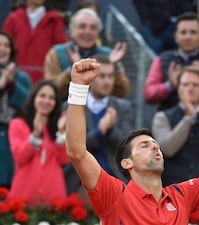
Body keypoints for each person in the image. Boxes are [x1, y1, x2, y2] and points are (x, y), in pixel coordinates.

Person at [65, 58, 199, 224]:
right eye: (144, 145)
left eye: (155, 143)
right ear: (127, 163)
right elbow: (77, 152)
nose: (155, 146)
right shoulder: (114, 195)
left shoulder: (182, 196)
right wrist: (78, 87)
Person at [63, 55, 135, 195]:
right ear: (90, 78)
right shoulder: (71, 107)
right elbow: (73, 148)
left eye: (110, 76)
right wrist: (100, 131)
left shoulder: (123, 107)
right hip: (81, 184)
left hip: (116, 181)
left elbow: (128, 150)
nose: (107, 81)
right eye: (102, 76)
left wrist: (111, 129)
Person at [151, 65, 199, 186]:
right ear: (178, 88)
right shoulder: (162, 117)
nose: (190, 89)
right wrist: (188, 118)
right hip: (171, 190)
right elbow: (168, 149)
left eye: (195, 85)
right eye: (185, 84)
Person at [143, 11, 199, 111]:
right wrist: (170, 85)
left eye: (193, 32)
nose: (188, 37)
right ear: (175, 36)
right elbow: (148, 94)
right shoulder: (161, 60)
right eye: (183, 32)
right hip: (168, 120)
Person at [43, 8, 129, 100]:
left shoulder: (108, 55)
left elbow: (122, 92)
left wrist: (113, 66)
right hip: (64, 111)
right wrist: (73, 69)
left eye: (93, 28)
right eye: (82, 26)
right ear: (71, 31)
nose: (87, 32)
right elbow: (50, 90)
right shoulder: (57, 53)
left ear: (98, 33)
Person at [7, 80, 69, 206]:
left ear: (56, 103)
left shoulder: (59, 127)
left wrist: (61, 133)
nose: (46, 101)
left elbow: (64, 160)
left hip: (53, 197)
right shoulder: (18, 124)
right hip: (22, 196)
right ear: (34, 98)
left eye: (51, 98)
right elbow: (20, 158)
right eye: (42, 96)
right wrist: (35, 134)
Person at [2, 0, 68, 84]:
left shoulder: (55, 20)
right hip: (15, 82)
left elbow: (62, 52)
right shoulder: (13, 19)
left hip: (44, 83)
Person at [0, 30, 31, 189]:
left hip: (14, 140)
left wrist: (11, 83)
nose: (3, 49)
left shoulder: (22, 78)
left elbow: (29, 105)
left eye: (6, 45)